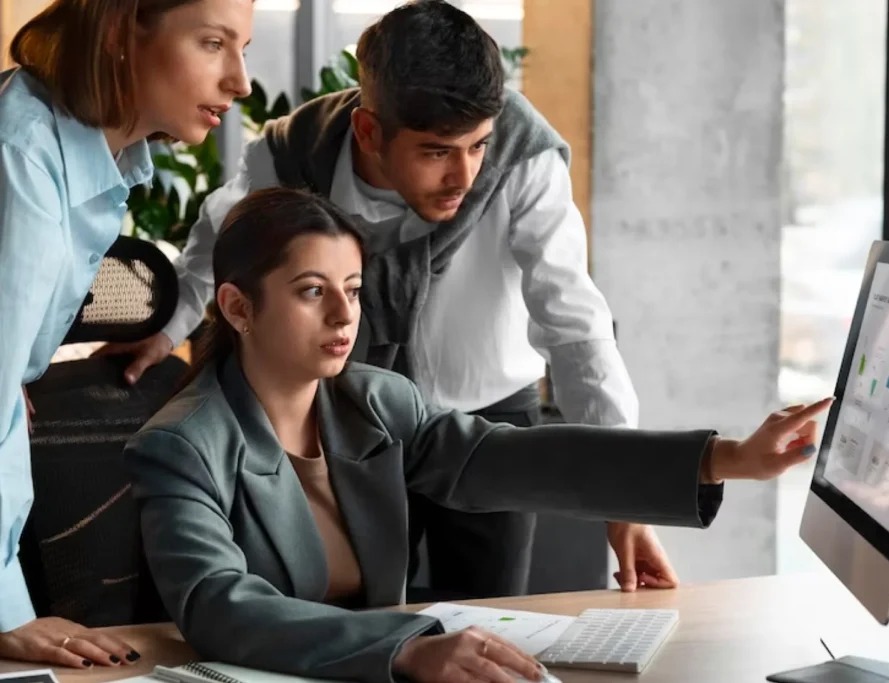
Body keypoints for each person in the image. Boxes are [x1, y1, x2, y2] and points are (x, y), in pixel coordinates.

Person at [124, 187, 833, 683]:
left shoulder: (376, 402)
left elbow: (516, 459)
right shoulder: (182, 445)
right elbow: (220, 607)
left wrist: (725, 458)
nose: (345, 313)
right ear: (239, 306)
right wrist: (407, 649)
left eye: (353, 285)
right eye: (313, 290)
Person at [108, 0, 662, 602]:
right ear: (369, 131)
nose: (465, 177)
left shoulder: (523, 157)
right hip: (349, 420)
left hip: (486, 418)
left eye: (478, 146)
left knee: (492, 616)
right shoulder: (291, 154)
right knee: (358, 607)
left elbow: (574, 322)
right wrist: (166, 333)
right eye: (435, 152)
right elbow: (220, 248)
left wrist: (624, 494)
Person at [0, 0, 253, 668]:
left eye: (244, 47)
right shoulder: (21, 155)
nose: (241, 81)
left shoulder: (80, 147)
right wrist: (5, 609)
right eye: (212, 43)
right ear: (121, 31)